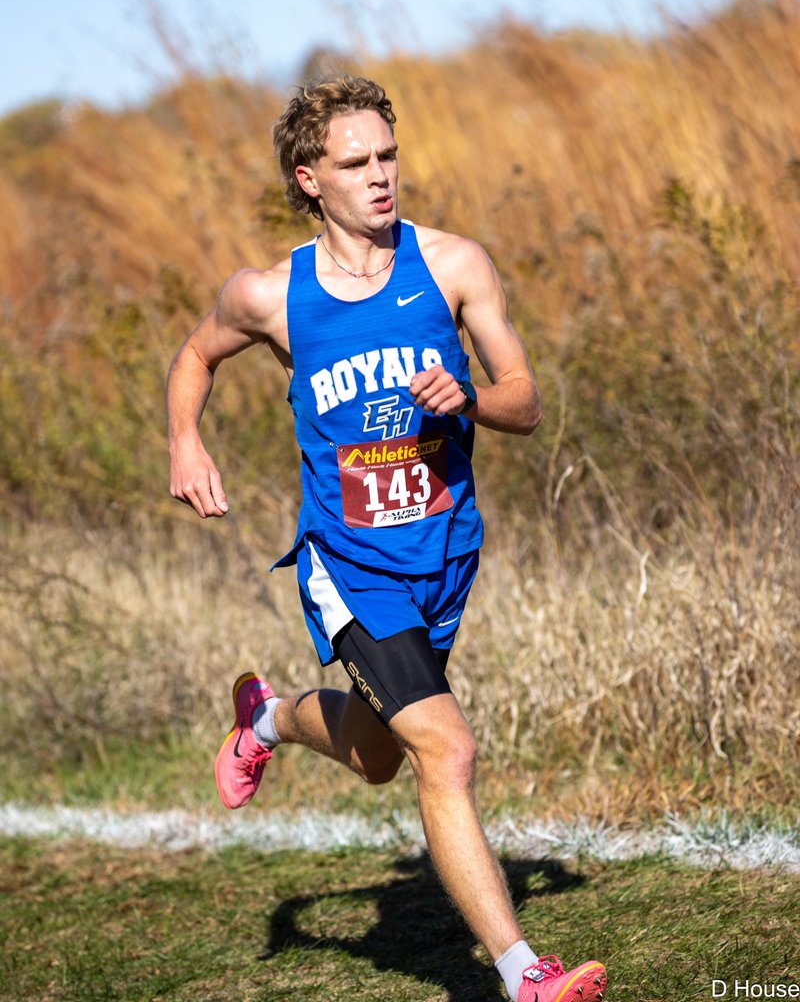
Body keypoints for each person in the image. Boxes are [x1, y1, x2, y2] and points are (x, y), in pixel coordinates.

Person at [166, 76, 607, 1002]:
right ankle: (524, 974)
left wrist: (472, 400)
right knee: (446, 750)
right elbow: (196, 355)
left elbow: (526, 401)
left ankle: (265, 718)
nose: (381, 176)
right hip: (350, 564)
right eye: (356, 162)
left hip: (445, 555)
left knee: (374, 757)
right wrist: (185, 442)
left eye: (389, 156)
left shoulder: (453, 264)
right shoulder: (270, 295)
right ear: (310, 179)